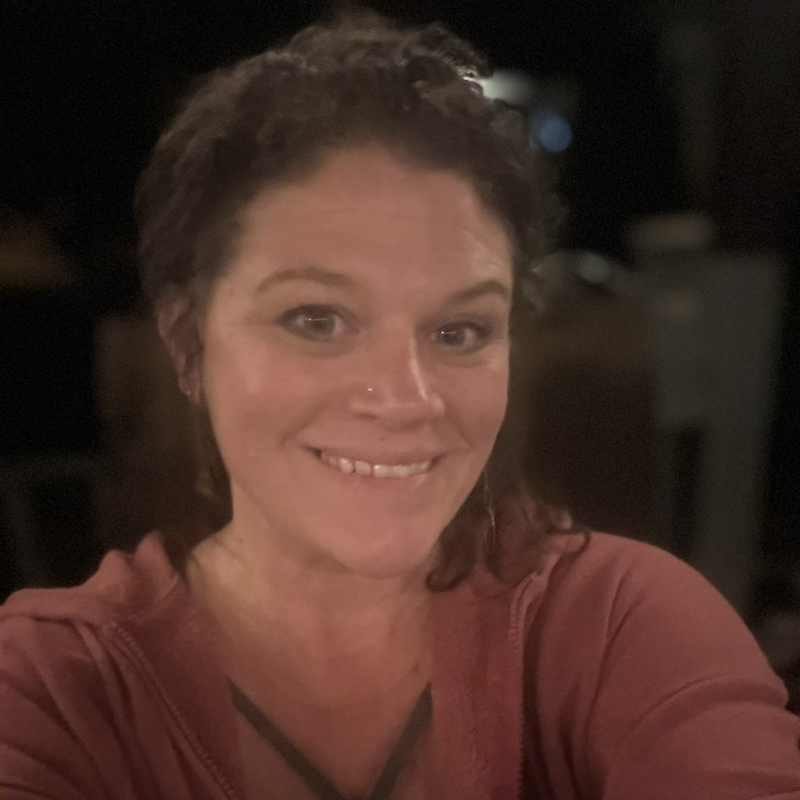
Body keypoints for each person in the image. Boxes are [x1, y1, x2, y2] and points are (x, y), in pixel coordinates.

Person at [1, 11, 799, 800]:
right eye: (317, 320)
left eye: (459, 330)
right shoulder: (53, 688)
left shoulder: (618, 626)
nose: (407, 398)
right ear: (188, 343)